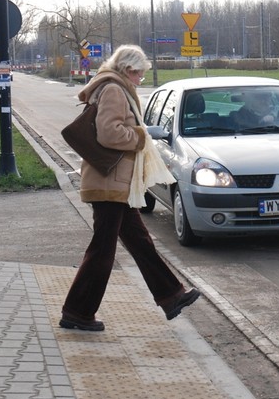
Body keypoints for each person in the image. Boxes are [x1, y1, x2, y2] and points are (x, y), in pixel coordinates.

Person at [60, 44, 200, 331]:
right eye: (139, 75)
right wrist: (141, 135)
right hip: (109, 182)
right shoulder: (114, 89)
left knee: (139, 242)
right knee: (103, 250)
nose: (140, 80)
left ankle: (172, 296)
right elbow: (109, 133)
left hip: (116, 182)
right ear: (128, 70)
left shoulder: (115, 86)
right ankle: (77, 312)